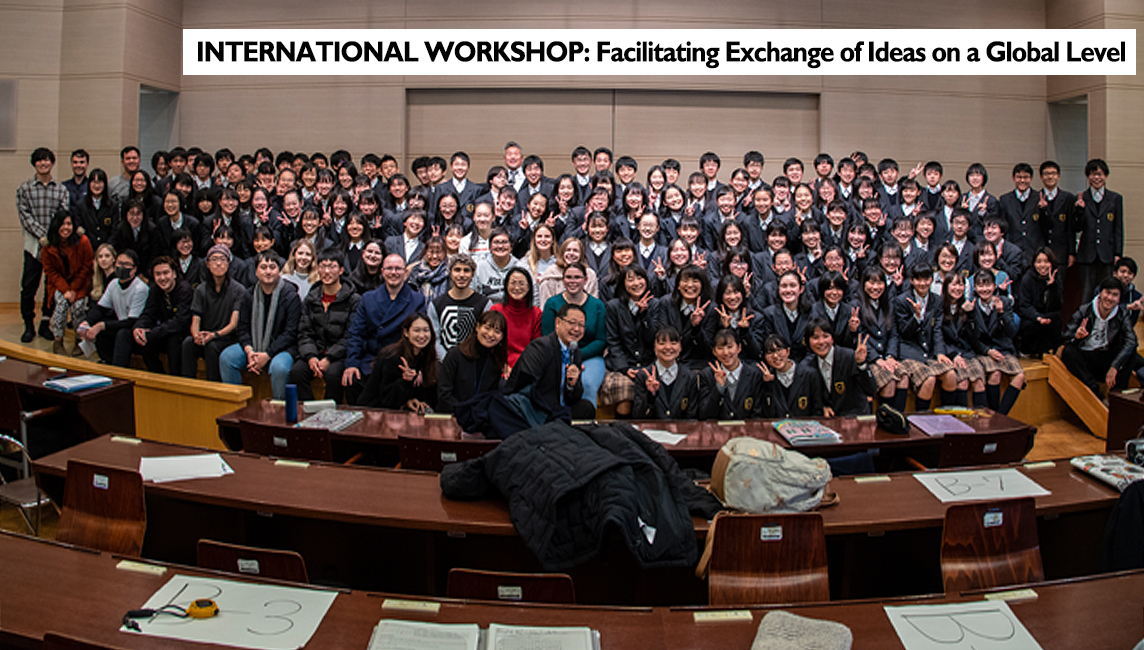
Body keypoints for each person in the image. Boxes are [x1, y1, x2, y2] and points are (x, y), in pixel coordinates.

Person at [342, 253, 427, 402]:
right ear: (382, 272)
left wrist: (419, 368)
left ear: (405, 272)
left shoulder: (417, 299)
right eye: (389, 268)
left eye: (398, 269)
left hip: (401, 361)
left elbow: (421, 337)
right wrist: (352, 363)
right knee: (352, 380)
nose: (393, 273)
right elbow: (356, 333)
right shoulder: (368, 298)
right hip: (371, 359)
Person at [219, 251, 302, 400]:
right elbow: (242, 328)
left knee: (279, 368)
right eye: (263, 267)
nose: (268, 271)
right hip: (254, 347)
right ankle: (235, 409)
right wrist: (250, 351)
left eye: (272, 267)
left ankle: (280, 414)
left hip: (283, 348)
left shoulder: (290, 296)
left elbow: (291, 333)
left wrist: (268, 354)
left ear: (279, 271)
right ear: (256, 271)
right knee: (227, 358)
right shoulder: (248, 295)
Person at [288, 250, 360, 404]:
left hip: (339, 355)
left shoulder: (353, 300)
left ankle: (330, 417)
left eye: (332, 267)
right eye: (323, 266)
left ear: (341, 270)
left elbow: (350, 336)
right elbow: (304, 332)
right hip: (315, 351)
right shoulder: (311, 298)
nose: (327, 271)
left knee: (334, 375)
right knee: (297, 372)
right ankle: (309, 412)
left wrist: (329, 358)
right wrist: (311, 356)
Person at [505, 302, 596, 421]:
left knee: (586, 408)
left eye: (581, 325)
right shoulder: (540, 348)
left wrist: (572, 385)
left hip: (559, 409)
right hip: (538, 409)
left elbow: (573, 398)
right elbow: (527, 389)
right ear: (557, 322)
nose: (576, 329)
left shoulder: (576, 352)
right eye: (572, 323)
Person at [17, 147, 69, 343]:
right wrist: (42, 236)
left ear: (52, 163)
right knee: (29, 287)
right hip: (33, 247)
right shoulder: (25, 188)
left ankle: (45, 323)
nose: (43, 163)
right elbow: (25, 216)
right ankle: (28, 325)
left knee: (52, 287)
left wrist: (52, 237)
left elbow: (63, 215)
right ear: (34, 163)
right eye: (40, 160)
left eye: (47, 160)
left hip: (55, 246)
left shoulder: (60, 189)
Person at [1061, 277, 1143, 397]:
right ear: (1100, 293)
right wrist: (1076, 335)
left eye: (1114, 295)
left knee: (1131, 355)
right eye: (1107, 293)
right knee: (1068, 351)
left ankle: (1117, 395)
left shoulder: (1121, 314)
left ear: (1119, 298)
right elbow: (1065, 335)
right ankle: (1093, 388)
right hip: (1086, 357)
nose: (1109, 298)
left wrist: (1115, 366)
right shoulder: (1085, 309)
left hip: (1106, 357)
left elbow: (1131, 341)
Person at [540, 262, 606, 408]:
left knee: (588, 384)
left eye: (577, 277)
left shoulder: (597, 305)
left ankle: (586, 425)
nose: (573, 281)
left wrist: (577, 356)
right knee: (559, 381)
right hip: (557, 356)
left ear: (585, 280)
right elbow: (547, 336)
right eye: (568, 277)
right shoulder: (552, 303)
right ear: (563, 280)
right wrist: (565, 357)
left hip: (589, 356)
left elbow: (601, 340)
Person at [894, 263, 958, 411]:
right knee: (929, 379)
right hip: (909, 352)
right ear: (912, 280)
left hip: (929, 352)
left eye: (926, 279)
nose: (922, 283)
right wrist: (916, 317)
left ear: (931, 280)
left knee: (951, 375)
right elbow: (903, 332)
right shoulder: (902, 300)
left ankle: (946, 418)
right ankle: (921, 421)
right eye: (918, 279)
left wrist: (940, 352)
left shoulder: (937, 300)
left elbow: (937, 330)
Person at [182, 245, 245, 382]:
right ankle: (188, 386)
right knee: (188, 343)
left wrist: (215, 335)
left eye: (222, 259)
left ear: (228, 264)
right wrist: (196, 335)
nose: (218, 263)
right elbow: (196, 319)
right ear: (207, 264)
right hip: (206, 334)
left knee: (212, 347)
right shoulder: (200, 289)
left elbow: (233, 323)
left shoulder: (238, 289)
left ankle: (214, 388)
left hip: (226, 337)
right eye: (214, 259)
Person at [75, 249, 148, 366]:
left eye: (126, 264)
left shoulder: (140, 288)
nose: (122, 267)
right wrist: (87, 322)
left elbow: (132, 322)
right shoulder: (114, 283)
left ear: (134, 269)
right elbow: (100, 308)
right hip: (121, 324)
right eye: (119, 263)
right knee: (101, 329)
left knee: (121, 333)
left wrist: (101, 326)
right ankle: (106, 362)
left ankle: (118, 370)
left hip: (136, 329)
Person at [967, 270, 1025, 414]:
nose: (984, 289)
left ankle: (1000, 416)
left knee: (1020, 376)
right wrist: (988, 351)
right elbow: (971, 337)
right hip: (983, 350)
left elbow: (1012, 332)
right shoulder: (971, 306)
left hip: (1003, 348)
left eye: (987, 285)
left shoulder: (1004, 302)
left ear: (994, 286)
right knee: (995, 373)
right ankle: (995, 416)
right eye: (980, 286)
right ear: (975, 288)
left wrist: (1001, 313)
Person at [602, 265, 656, 417]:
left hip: (649, 363)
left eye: (640, 278)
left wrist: (644, 315)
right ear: (623, 284)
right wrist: (624, 368)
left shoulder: (655, 304)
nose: (636, 283)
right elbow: (613, 341)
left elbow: (654, 339)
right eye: (630, 279)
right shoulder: (613, 306)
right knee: (625, 391)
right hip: (622, 365)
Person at [358, 313, 438, 413]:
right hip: (374, 412)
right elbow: (387, 400)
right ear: (406, 333)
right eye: (416, 330)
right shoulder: (392, 357)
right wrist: (405, 381)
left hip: (399, 413)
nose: (422, 335)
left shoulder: (425, 355)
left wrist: (412, 400)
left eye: (426, 330)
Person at [41, 210, 93, 355]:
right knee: (61, 305)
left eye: (69, 224)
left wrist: (74, 288)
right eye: (62, 224)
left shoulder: (83, 241)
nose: (66, 227)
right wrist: (65, 290)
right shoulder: (47, 246)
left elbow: (86, 265)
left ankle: (79, 340)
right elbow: (50, 271)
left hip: (80, 283)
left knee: (78, 308)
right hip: (59, 284)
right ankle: (58, 341)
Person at [800, 317, 875, 416]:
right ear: (808, 341)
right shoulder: (807, 365)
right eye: (815, 338)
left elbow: (871, 390)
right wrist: (822, 407)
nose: (821, 342)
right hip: (827, 420)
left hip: (853, 418)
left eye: (825, 336)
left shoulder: (850, 356)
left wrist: (861, 364)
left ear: (832, 338)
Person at [437, 310, 508, 414]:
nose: (490, 334)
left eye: (497, 331)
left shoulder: (496, 363)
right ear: (477, 327)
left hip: (480, 419)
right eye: (487, 328)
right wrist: (462, 413)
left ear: (502, 337)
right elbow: (444, 393)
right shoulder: (455, 355)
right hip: (451, 416)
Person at [132, 256, 193, 375]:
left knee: (173, 341)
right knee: (143, 340)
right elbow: (148, 313)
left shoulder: (184, 289)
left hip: (182, 331)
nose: (162, 278)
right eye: (158, 274)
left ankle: (175, 380)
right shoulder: (155, 289)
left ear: (174, 273)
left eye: (166, 273)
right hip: (164, 330)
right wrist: (138, 328)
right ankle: (157, 375)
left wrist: (152, 333)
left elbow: (181, 322)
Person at [1075, 158, 1123, 303]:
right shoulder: (1081, 198)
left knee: (1107, 293)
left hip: (1107, 254)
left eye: (1100, 174)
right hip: (1087, 255)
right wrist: (1079, 211)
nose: (1097, 178)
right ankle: (1085, 325)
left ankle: (1106, 324)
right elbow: (1076, 228)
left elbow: (1118, 228)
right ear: (1088, 176)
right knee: (1087, 293)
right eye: (1093, 174)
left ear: (1106, 176)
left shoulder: (1115, 199)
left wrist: (1118, 253)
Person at [631, 326, 704, 419]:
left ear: (680, 347)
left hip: (680, 431)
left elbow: (692, 416)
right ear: (655, 347)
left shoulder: (690, 377)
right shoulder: (643, 375)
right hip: (651, 431)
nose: (668, 347)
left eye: (673, 343)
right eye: (662, 343)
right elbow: (638, 416)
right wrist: (650, 395)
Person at [427, 253, 488, 360]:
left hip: (474, 362)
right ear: (450, 273)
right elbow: (434, 339)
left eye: (466, 270)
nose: (461, 275)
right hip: (444, 364)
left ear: (473, 274)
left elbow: (486, 336)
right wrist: (448, 360)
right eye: (457, 270)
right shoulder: (436, 304)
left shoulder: (484, 304)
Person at [699, 329, 767, 419]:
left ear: (739, 348)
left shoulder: (754, 375)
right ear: (714, 352)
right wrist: (719, 388)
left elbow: (757, 414)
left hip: (745, 430)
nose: (726, 352)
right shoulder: (706, 375)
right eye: (720, 348)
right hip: (717, 431)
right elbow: (704, 414)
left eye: (730, 347)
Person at [489, 267, 541, 370]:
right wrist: (502, 365)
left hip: (527, 367)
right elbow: (491, 345)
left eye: (521, 284)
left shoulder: (536, 313)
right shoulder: (496, 310)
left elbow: (537, 348)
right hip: (499, 366)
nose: (517, 288)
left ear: (529, 287)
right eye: (513, 283)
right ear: (506, 286)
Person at [758, 334, 822, 417]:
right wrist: (768, 386)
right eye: (770, 353)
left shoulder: (809, 374)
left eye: (778, 350)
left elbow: (818, 410)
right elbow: (767, 414)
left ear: (788, 351)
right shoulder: (766, 379)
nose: (775, 356)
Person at [1016, 247, 1064, 358]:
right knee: (1031, 325)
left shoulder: (1056, 278)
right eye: (1039, 262)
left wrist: (1052, 287)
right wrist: (1038, 317)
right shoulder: (1027, 279)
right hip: (1032, 316)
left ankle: (1052, 353)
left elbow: (1057, 306)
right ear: (1034, 263)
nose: (1042, 265)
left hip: (1047, 315)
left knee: (1056, 319)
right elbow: (1024, 306)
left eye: (1046, 262)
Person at [473, 229, 521, 304]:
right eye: (496, 242)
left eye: (504, 242)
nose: (500, 246)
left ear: (511, 247)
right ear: (490, 247)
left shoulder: (520, 267)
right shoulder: (479, 267)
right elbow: (472, 293)